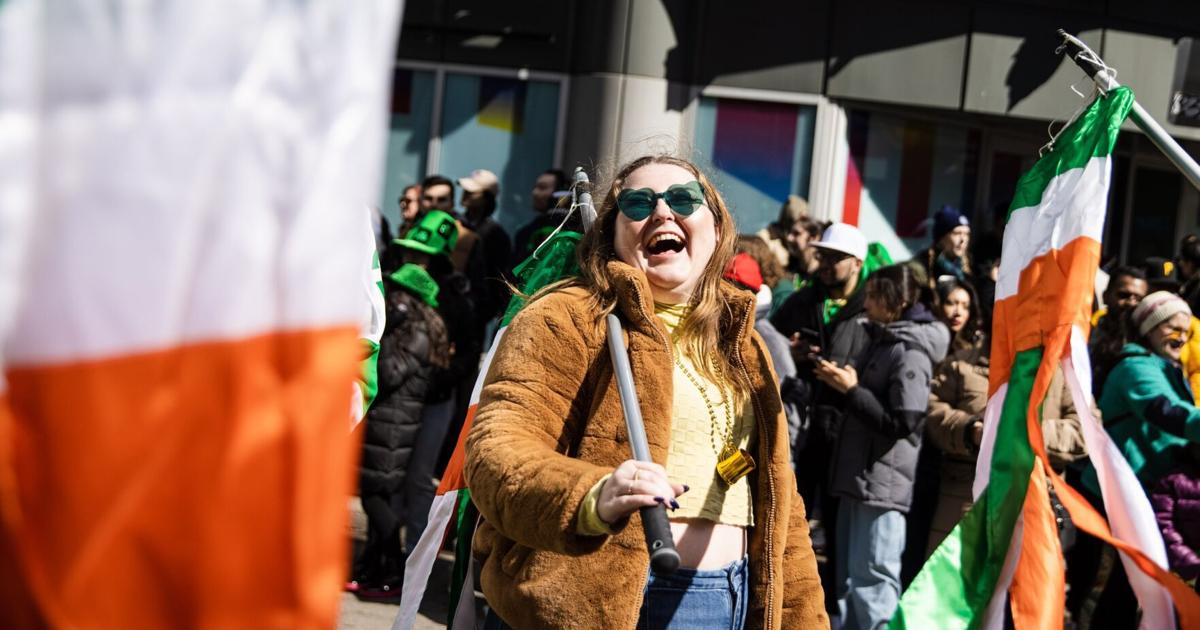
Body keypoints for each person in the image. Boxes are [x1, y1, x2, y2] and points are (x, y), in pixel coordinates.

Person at [464, 155, 828, 629]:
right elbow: (496, 452)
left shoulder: (744, 341)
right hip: (614, 599)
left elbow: (784, 503)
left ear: (716, 229)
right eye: (637, 203)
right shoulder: (567, 319)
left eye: (682, 199)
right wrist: (591, 495)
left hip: (737, 599)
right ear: (612, 235)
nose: (661, 213)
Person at [812, 264, 948, 629]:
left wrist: (852, 390)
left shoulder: (911, 351)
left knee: (874, 582)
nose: (866, 302)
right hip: (859, 479)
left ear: (899, 302)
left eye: (874, 296)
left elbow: (903, 421)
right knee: (850, 583)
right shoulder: (880, 339)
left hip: (882, 485)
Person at [769, 222, 872, 615]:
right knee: (795, 520)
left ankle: (828, 609)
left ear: (857, 263)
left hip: (847, 435)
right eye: (823, 256)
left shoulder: (871, 306)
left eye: (836, 258)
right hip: (802, 428)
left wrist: (852, 382)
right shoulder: (803, 299)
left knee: (838, 530)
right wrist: (789, 358)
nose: (825, 264)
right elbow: (770, 340)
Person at [351, 251, 450, 600]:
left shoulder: (413, 333)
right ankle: (374, 568)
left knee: (376, 498)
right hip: (389, 425)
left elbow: (388, 373)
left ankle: (393, 571)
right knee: (375, 497)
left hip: (393, 428)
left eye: (395, 294)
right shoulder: (413, 330)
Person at [390, 210, 481, 549]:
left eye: (424, 255)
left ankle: (416, 556)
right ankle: (383, 555)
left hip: (434, 402)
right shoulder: (395, 286)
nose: (416, 260)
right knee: (390, 478)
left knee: (417, 477)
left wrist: (440, 380)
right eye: (412, 252)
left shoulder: (455, 297)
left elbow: (469, 349)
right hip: (396, 398)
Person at [723, 249, 800, 464]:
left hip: (753, 453)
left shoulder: (765, 338)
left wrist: (781, 461)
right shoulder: (719, 331)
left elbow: (786, 405)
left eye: (731, 287)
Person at [458, 168, 513, 323]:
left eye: (472, 192)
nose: (465, 194)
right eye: (465, 190)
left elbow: (499, 275)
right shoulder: (454, 224)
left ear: (486, 199)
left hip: (476, 312)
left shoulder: (496, 234)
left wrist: (489, 309)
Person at [1090, 265, 1149, 396]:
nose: (1131, 302)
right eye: (1124, 295)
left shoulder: (1149, 340)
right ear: (1105, 296)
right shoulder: (1087, 336)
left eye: (1139, 299)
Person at [512, 169, 570, 264]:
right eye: (535, 187)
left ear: (560, 193)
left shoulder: (571, 231)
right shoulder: (525, 232)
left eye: (542, 188)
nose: (534, 193)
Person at [906, 205, 971, 289]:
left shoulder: (970, 267)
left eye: (967, 234)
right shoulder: (922, 266)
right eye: (956, 233)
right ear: (941, 238)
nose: (963, 239)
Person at [1179, 234, 1200, 315]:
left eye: (1182, 260)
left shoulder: (1196, 288)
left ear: (1190, 263)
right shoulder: (1191, 284)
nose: (1180, 264)